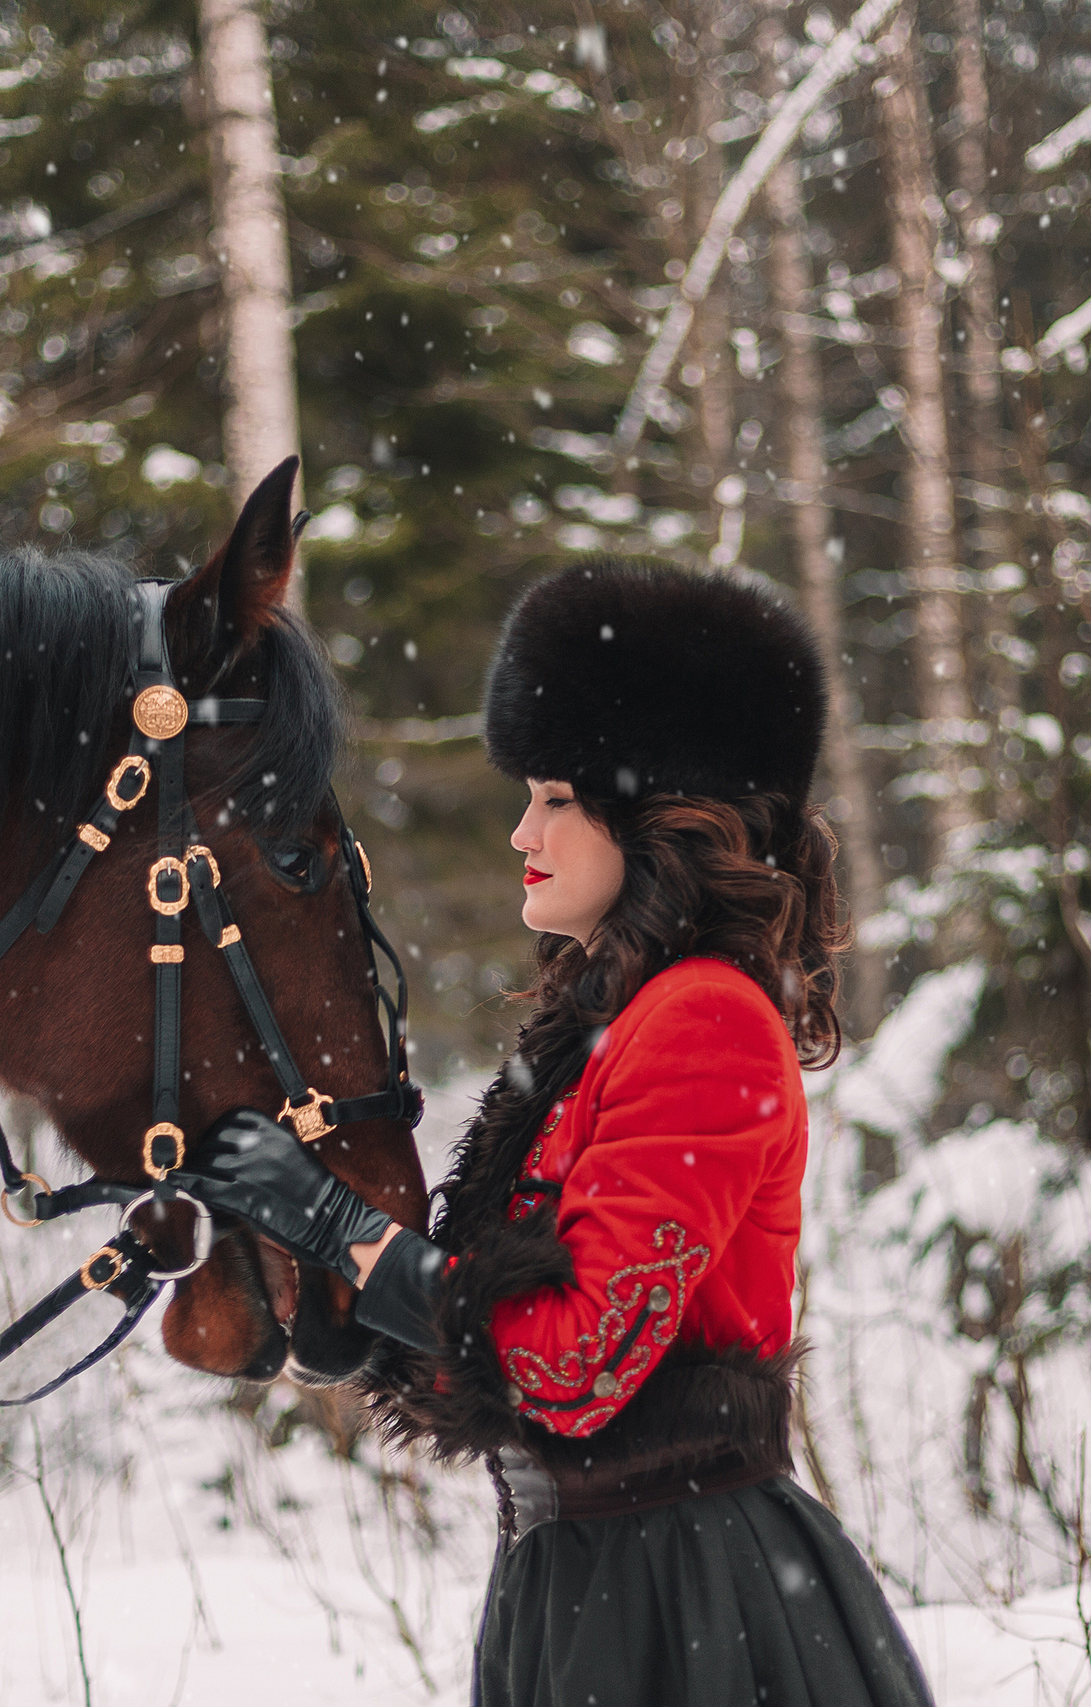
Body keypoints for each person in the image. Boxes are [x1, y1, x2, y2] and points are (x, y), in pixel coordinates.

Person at [190, 559, 933, 1707]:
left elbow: (574, 1366)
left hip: (686, 1602)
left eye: (553, 797)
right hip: (580, 1586)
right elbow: (499, 1341)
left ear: (657, 811)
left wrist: (347, 1232)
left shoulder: (705, 1021)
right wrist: (342, 1303)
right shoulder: (606, 1028)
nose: (520, 832)